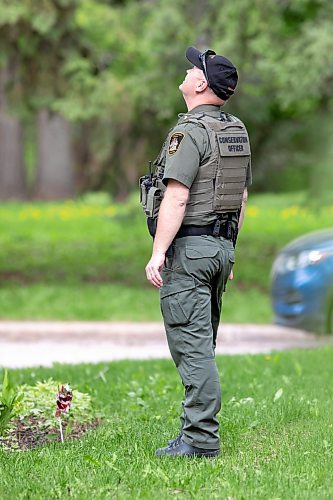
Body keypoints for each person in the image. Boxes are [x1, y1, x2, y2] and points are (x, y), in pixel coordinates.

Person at [141, 46, 252, 458]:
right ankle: (194, 432)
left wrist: (158, 253)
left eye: (193, 68)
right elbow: (238, 198)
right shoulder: (235, 130)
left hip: (189, 251)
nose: (187, 72)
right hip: (219, 249)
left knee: (193, 347)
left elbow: (177, 197)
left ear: (201, 84)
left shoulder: (188, 132)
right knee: (202, 343)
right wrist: (229, 250)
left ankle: (200, 441)